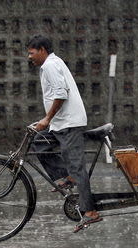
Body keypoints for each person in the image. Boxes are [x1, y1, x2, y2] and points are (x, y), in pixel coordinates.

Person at [27, 35, 101, 232]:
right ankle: (65, 176)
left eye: (32, 53)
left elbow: (61, 94)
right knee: (39, 142)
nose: (29, 57)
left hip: (69, 123)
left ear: (42, 50)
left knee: (77, 167)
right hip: (60, 123)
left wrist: (46, 119)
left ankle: (90, 211)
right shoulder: (51, 64)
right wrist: (47, 120)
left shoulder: (51, 65)